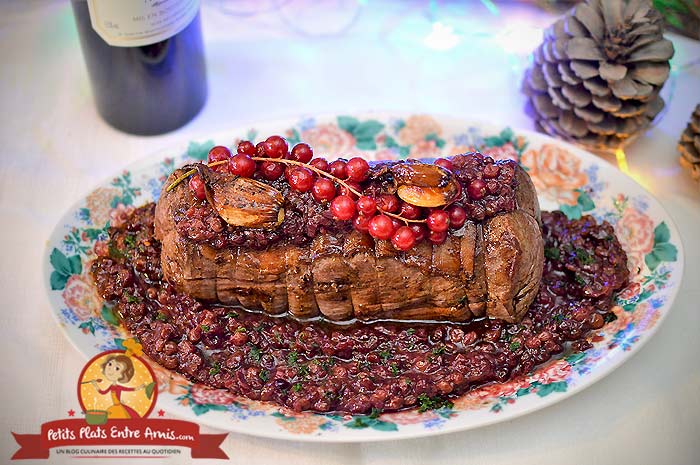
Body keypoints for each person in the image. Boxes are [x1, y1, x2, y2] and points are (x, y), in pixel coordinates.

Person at [89, 354, 146, 419]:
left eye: (117, 368)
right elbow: (103, 392)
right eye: (110, 364)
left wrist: (140, 387)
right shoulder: (112, 386)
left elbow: (130, 389)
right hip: (115, 407)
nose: (110, 369)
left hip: (119, 407)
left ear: (122, 375)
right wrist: (95, 385)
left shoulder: (118, 387)